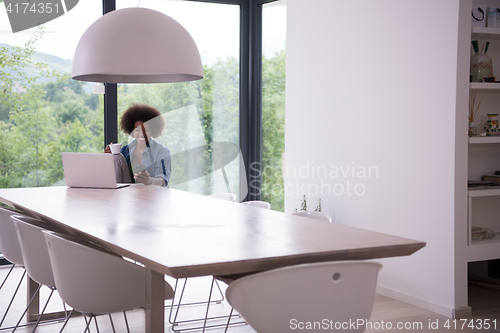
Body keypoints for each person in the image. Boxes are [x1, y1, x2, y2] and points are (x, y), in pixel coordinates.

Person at [105, 104, 171, 187]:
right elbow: (114, 175)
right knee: (116, 157)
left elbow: (163, 181)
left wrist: (149, 180)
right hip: (128, 194)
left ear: (152, 130)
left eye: (146, 130)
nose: (141, 134)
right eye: (137, 130)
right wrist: (109, 158)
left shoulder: (162, 152)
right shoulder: (125, 151)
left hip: (153, 194)